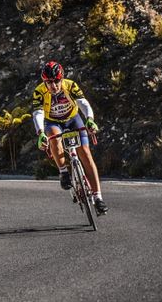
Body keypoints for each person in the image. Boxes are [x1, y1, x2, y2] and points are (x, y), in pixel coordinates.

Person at [31, 61, 108, 214]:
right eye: (49, 82)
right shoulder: (39, 92)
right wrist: (40, 133)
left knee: (85, 153)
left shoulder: (70, 85)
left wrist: (90, 119)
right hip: (53, 121)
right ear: (44, 82)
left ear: (62, 78)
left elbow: (83, 103)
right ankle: (63, 172)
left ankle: (98, 198)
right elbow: (38, 113)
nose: (54, 86)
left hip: (73, 119)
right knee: (53, 136)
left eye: (57, 81)